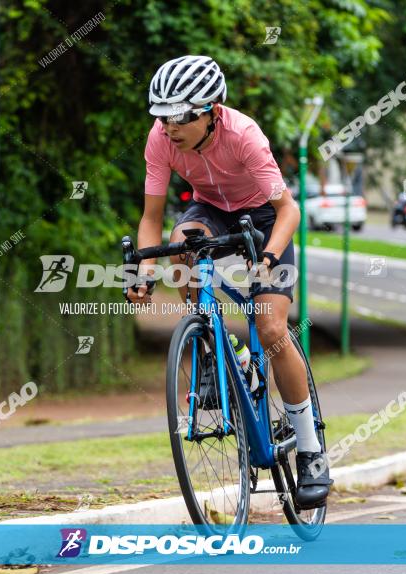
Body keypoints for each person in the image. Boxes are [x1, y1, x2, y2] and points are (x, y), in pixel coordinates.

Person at [125, 54, 331, 509]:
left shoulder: (244, 136)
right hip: (211, 211)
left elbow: (289, 211)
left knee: (272, 329)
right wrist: (143, 271)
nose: (169, 126)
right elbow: (151, 219)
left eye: (180, 116)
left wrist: (270, 257)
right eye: (162, 115)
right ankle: (211, 350)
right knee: (181, 244)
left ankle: (311, 450)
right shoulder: (160, 139)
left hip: (262, 217)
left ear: (212, 111)